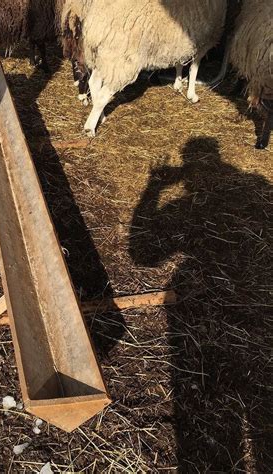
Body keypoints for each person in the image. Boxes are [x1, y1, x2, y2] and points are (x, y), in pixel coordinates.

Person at [129, 137, 272, 471]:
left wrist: (153, 189)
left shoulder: (186, 206)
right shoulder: (256, 188)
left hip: (205, 317)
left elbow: (142, 254)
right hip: (251, 316)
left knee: (209, 413)